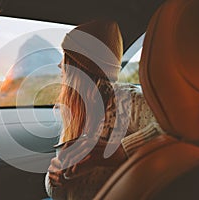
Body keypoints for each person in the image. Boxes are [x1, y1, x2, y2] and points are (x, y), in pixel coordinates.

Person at [45, 19, 163, 200]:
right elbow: (60, 193)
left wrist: (119, 152)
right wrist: (53, 179)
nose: (60, 66)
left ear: (80, 67)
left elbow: (171, 129)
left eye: (66, 58)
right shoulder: (76, 112)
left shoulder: (128, 100)